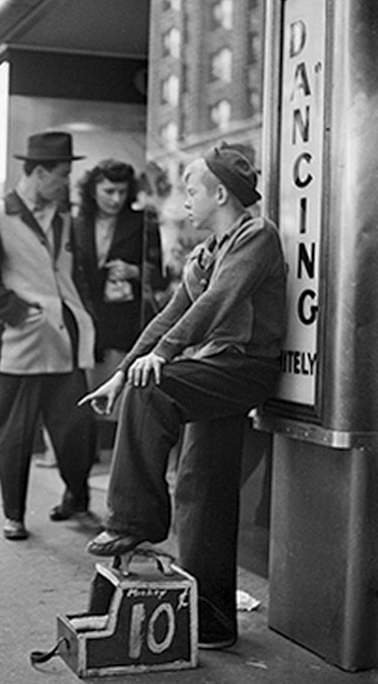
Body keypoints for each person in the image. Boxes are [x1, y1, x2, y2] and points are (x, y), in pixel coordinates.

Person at [80, 144, 286, 649]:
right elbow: (169, 316)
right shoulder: (204, 252)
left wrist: (160, 361)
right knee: (202, 491)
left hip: (243, 368)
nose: (184, 200)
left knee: (153, 393)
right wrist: (123, 372)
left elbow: (217, 304)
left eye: (191, 190)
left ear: (219, 193)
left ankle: (135, 519)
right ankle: (213, 622)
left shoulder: (256, 236)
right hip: (212, 369)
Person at [0, 131, 97, 541]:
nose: (67, 182)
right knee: (15, 435)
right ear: (38, 173)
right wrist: (19, 313)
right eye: (62, 173)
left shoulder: (65, 219)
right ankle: (14, 514)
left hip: (64, 344)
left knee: (77, 431)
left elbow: (73, 275)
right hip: (20, 346)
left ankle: (76, 497)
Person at [73, 159, 166, 444]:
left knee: (118, 386)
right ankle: (86, 451)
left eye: (122, 192)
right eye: (109, 191)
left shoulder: (143, 222)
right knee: (83, 387)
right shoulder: (77, 223)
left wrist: (135, 272)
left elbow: (161, 276)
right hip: (84, 314)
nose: (116, 199)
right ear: (93, 190)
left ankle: (115, 450)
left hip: (124, 317)